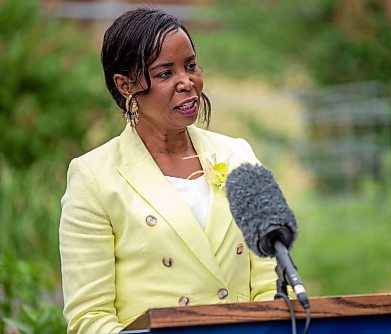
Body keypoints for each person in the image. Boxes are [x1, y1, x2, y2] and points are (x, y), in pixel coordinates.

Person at [59, 8, 277, 333]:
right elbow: (90, 318)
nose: (187, 82)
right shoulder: (94, 177)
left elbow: (270, 283)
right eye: (165, 74)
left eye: (190, 66)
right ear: (125, 85)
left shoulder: (237, 155)